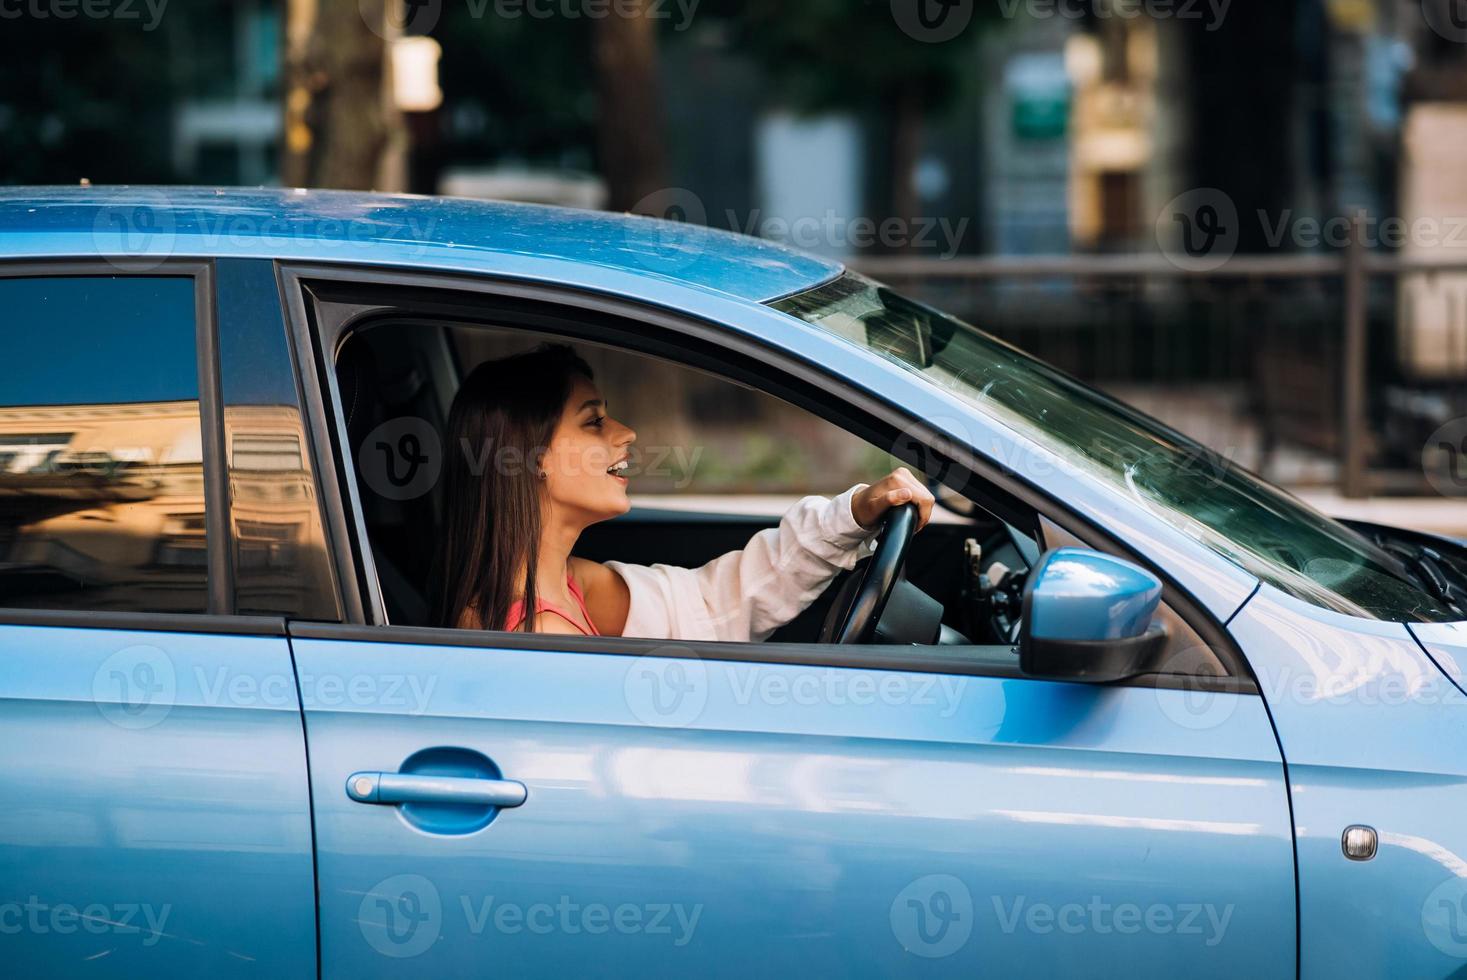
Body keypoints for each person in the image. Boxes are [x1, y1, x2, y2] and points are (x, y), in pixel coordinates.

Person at [429, 342, 934, 641]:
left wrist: (852, 514)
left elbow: (718, 604)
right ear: (532, 456)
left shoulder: (569, 586)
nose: (625, 433)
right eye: (594, 422)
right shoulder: (535, 635)